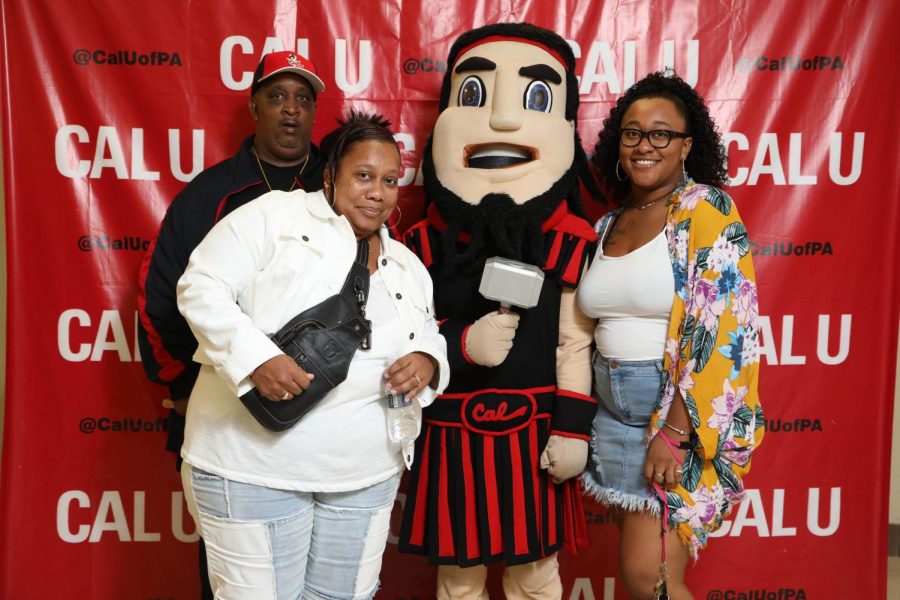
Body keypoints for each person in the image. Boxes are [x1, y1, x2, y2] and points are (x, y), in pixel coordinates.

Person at [175, 112, 449, 599]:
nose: (378, 192)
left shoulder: (405, 264)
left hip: (365, 475)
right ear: (330, 176)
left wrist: (427, 360)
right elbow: (201, 287)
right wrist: (255, 357)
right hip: (252, 467)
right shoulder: (273, 216)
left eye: (389, 181)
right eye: (363, 176)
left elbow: (425, 330)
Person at [399, 23, 599, 599]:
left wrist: (571, 427)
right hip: (450, 433)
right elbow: (395, 337)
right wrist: (460, 343)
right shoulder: (418, 247)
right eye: (474, 95)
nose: (504, 121)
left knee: (535, 577)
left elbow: (573, 345)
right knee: (457, 582)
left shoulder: (570, 242)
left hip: (534, 435)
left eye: (535, 97)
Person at [137, 49, 325, 597]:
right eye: (276, 97)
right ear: (254, 107)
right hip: (226, 410)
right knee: (237, 575)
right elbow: (162, 298)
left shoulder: (340, 188)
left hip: (325, 413)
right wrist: (180, 388)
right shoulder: (209, 195)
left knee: (319, 571)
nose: (290, 110)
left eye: (302, 99)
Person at [579, 71, 765, 599]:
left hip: (670, 411)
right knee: (642, 576)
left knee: (651, 576)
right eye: (633, 133)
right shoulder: (609, 223)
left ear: (687, 145)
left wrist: (676, 431)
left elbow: (724, 328)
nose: (644, 145)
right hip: (610, 412)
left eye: (661, 134)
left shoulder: (705, 210)